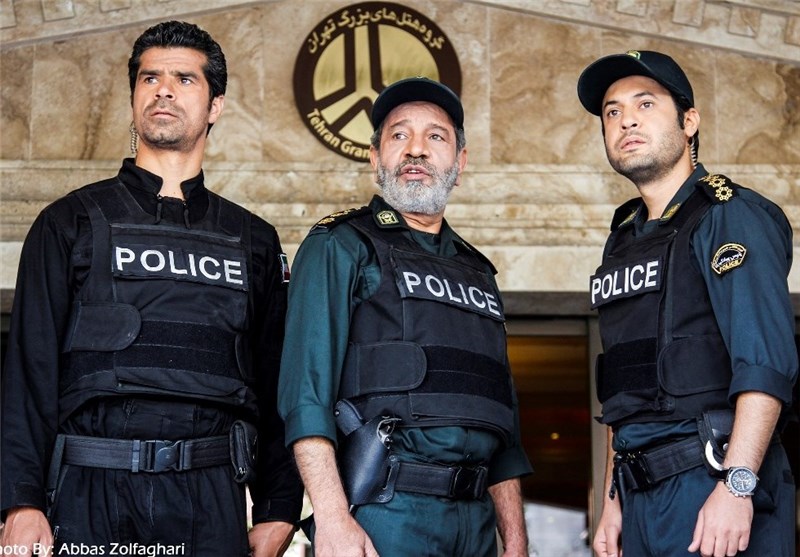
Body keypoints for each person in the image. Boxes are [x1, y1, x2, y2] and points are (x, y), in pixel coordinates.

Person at [0, 20, 302, 557]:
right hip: (90, 489)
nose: (163, 90)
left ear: (215, 106)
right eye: (149, 78)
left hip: (210, 494)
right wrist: (20, 502)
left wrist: (279, 509)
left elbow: (277, 380)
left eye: (184, 79)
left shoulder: (253, 239)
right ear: (133, 99)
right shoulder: (69, 222)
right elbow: (28, 371)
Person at [277, 77, 533, 556]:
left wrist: (516, 544)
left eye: (435, 136)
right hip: (387, 512)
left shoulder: (478, 272)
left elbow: (503, 426)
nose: (416, 149)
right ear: (376, 159)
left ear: (460, 163)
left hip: (475, 522)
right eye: (399, 135)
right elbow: (305, 399)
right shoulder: (341, 246)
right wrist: (331, 518)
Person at [577, 50, 797, 557]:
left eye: (646, 104)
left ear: (689, 122)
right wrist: (613, 501)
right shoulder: (624, 240)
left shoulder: (729, 216)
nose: (626, 120)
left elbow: (764, 365)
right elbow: (623, 392)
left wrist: (737, 486)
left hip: (712, 480)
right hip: (640, 495)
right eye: (612, 112)